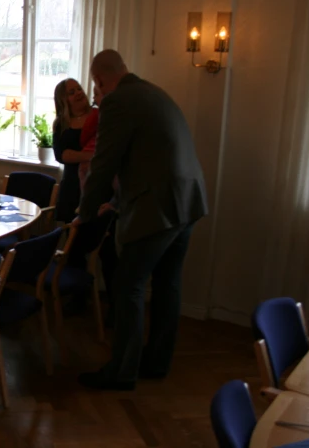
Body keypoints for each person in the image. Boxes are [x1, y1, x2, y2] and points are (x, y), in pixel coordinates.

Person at [75, 49, 208, 390]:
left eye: (96, 86)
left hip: (159, 207)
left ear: (100, 79)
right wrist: (116, 201)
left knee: (127, 284)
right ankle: (157, 362)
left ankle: (122, 372)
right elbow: (149, 156)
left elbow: (104, 164)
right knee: (168, 284)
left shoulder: (117, 102)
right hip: (187, 203)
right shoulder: (153, 92)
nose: (97, 92)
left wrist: (85, 213)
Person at [52, 78, 97, 224]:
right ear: (64, 100)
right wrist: (90, 155)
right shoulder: (61, 124)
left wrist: (75, 155)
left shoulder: (98, 115)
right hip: (71, 186)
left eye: (79, 89)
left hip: (96, 185)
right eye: (72, 92)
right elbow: (61, 155)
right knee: (72, 237)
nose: (78, 93)